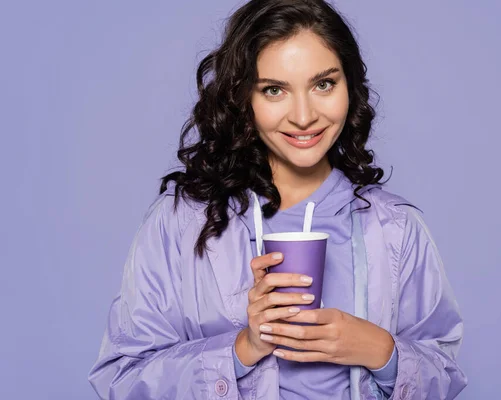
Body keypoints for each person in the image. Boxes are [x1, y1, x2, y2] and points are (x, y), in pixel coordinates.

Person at [88, 0, 467, 398]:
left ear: (349, 87)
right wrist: (242, 349)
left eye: (324, 84)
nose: (303, 116)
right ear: (243, 100)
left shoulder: (395, 228)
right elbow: (123, 377)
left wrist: (380, 351)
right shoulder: (183, 222)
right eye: (274, 90)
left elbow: (444, 372)